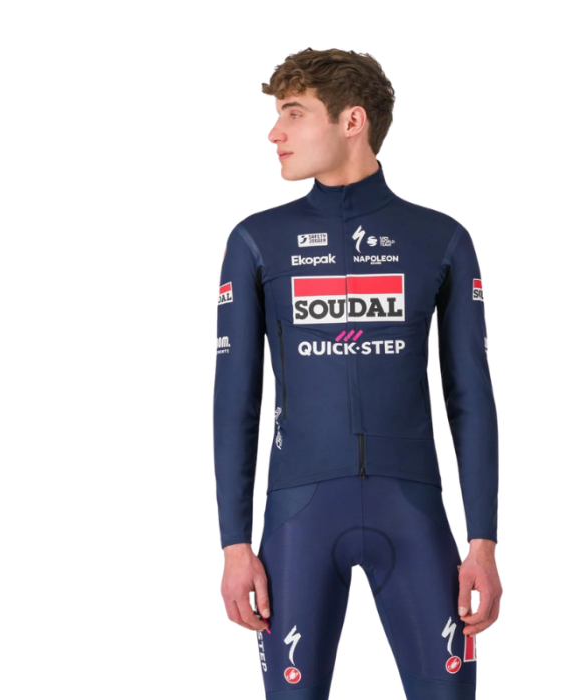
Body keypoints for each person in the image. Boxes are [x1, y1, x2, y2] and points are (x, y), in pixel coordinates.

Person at [213, 48, 502, 699]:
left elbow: (470, 396)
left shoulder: (441, 239)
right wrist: (234, 545)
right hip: (297, 523)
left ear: (352, 121)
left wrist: (482, 541)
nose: (274, 133)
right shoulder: (257, 241)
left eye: (294, 113)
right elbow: (235, 401)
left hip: (415, 516)